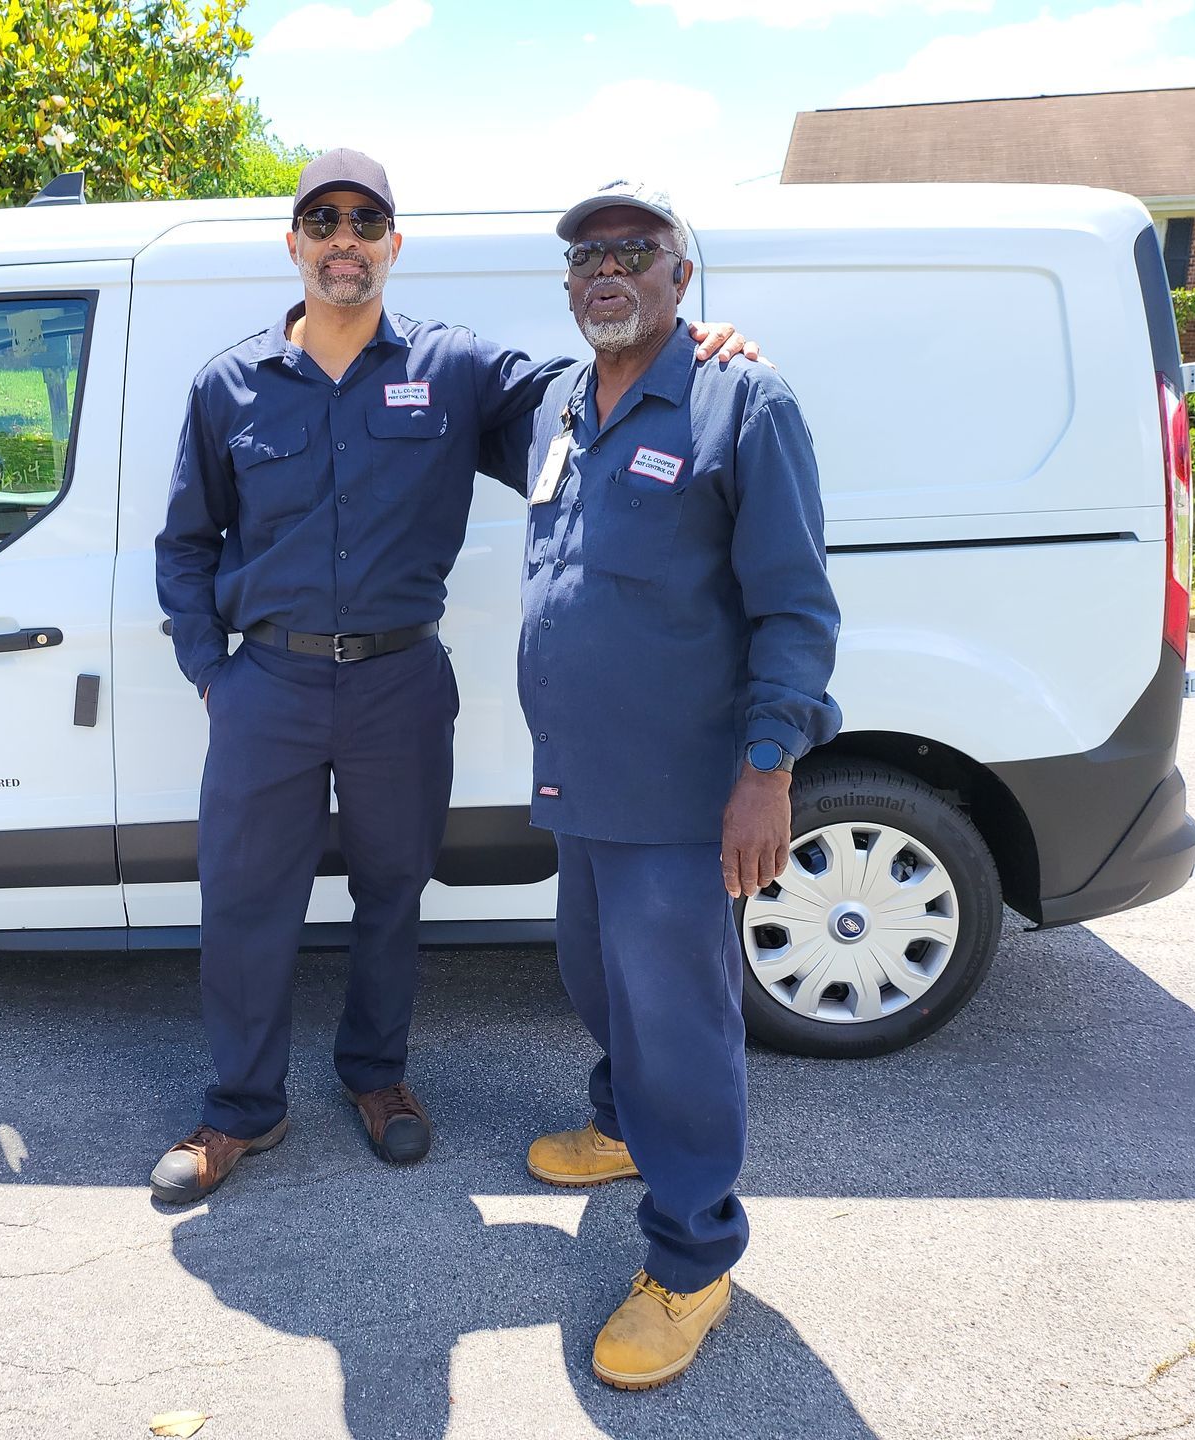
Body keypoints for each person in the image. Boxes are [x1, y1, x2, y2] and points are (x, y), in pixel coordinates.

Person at [150, 152, 761, 1205]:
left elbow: (597, 394)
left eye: (366, 221)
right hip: (269, 687)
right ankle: (241, 1108)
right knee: (246, 899)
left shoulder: (456, 368)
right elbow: (185, 543)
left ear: (394, 243)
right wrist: (215, 674)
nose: (345, 238)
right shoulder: (229, 384)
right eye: (323, 220)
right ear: (294, 244)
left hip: (400, 684)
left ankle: (378, 1077)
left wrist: (699, 348)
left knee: (393, 889)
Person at [517, 181, 841, 1389]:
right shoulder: (561, 403)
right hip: (582, 779)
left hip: (686, 790)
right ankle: (623, 1126)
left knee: (682, 1020)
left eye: (635, 251)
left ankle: (695, 1258)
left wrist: (768, 771)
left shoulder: (739, 398)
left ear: (679, 276)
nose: (608, 268)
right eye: (586, 254)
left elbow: (796, 606)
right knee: (595, 977)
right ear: (567, 284)